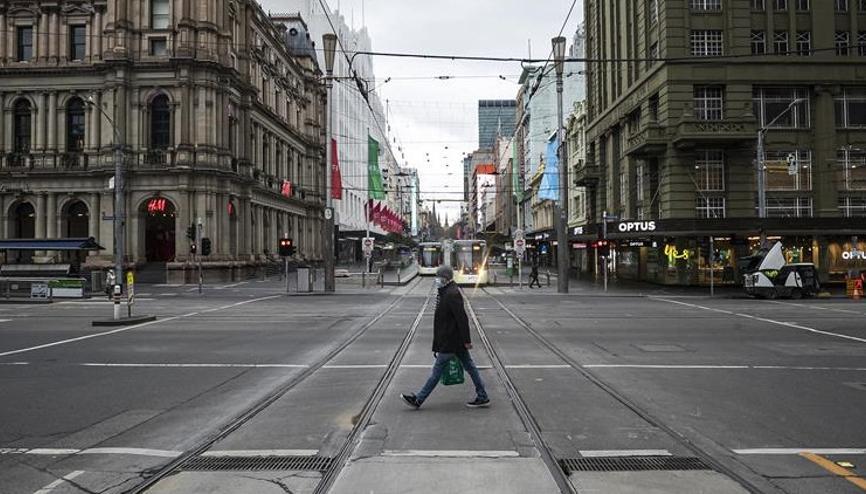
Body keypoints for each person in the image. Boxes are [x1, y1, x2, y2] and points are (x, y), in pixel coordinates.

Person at [401, 265, 490, 409]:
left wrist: (467, 340)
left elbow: (462, 318)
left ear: (446, 278)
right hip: (453, 340)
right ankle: (483, 396)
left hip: (451, 341)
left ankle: (418, 399)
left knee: (436, 372)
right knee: (471, 367)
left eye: (439, 277)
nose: (436, 279)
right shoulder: (444, 292)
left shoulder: (452, 294)